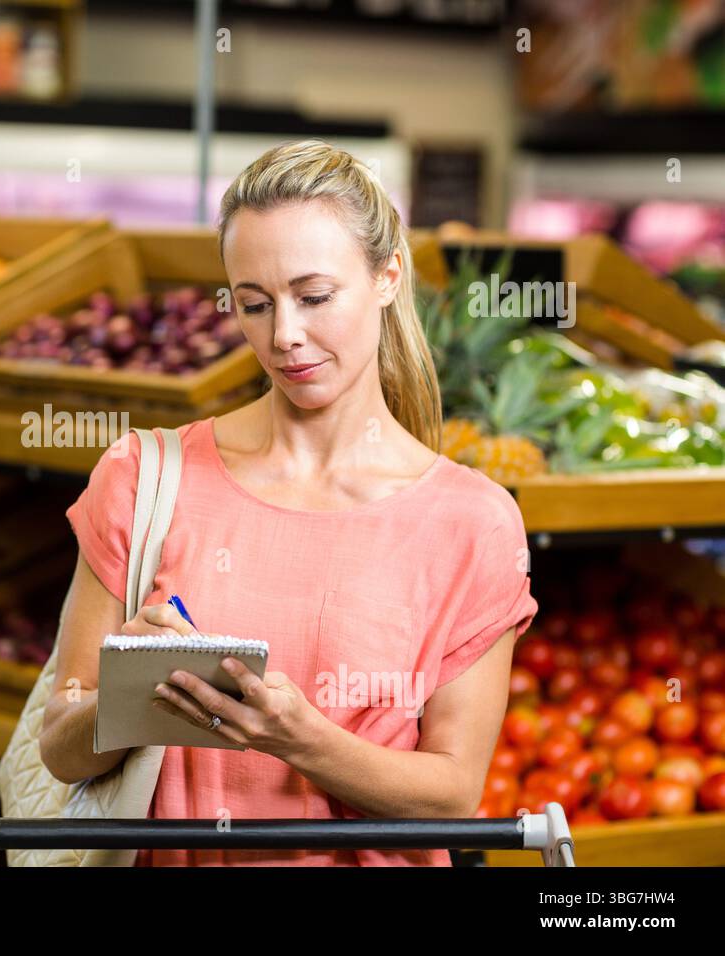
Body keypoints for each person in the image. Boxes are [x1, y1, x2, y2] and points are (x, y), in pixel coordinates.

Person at [37, 139, 538, 866]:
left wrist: (298, 738)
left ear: (388, 275)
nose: (285, 337)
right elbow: (59, 751)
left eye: (314, 297)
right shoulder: (145, 476)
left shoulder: (473, 523)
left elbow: (452, 795)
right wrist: (126, 693)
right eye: (254, 304)